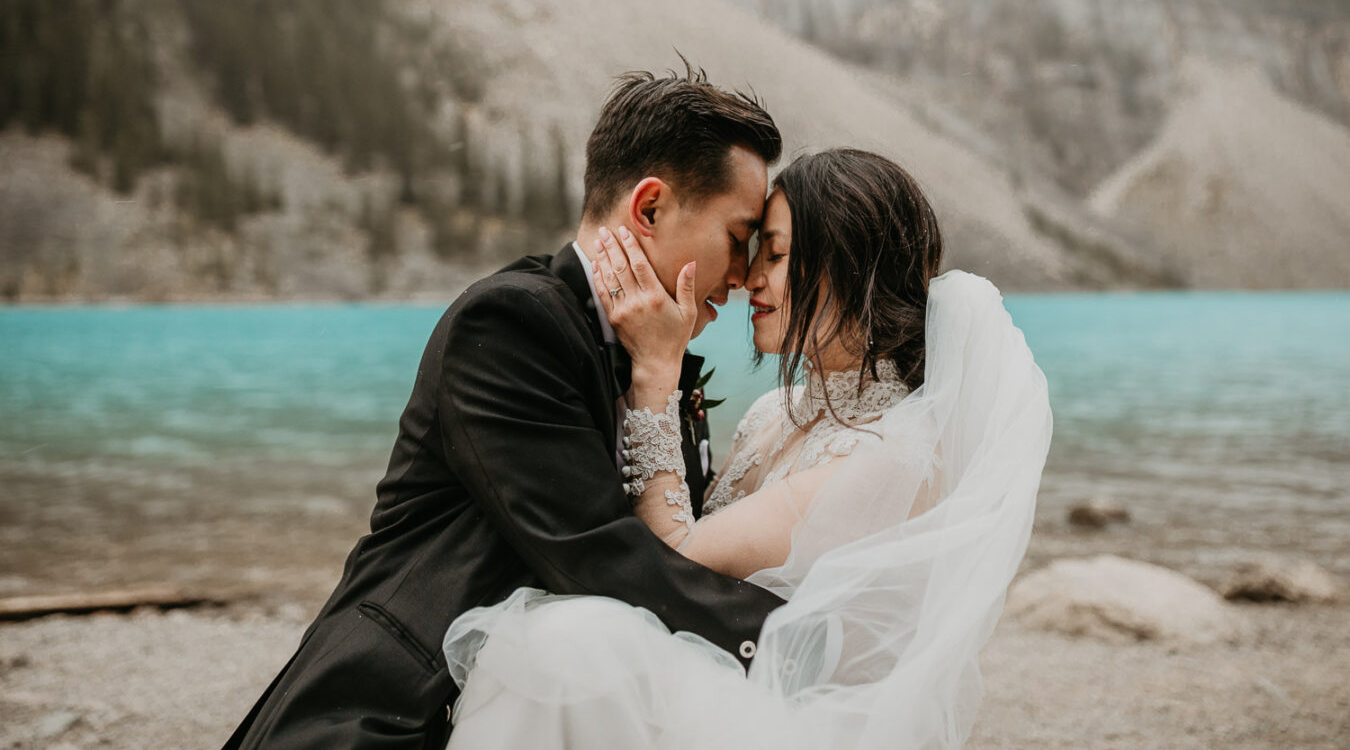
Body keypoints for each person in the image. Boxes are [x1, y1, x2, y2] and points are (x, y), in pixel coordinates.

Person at [222, 65, 787, 749]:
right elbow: (596, 553)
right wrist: (789, 638)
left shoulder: (655, 357)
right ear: (649, 209)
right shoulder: (513, 322)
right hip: (397, 710)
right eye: (737, 237)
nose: (742, 273)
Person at [442, 148, 1053, 749]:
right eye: (754, 251)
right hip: (732, 671)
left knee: (573, 642)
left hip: (801, 719)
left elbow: (676, 552)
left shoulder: (890, 456)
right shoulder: (772, 414)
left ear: (854, 268)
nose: (749, 279)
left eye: (777, 255)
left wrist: (658, 373)